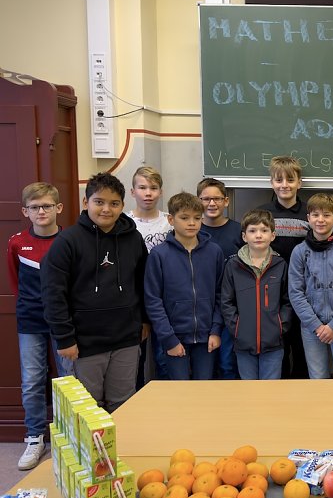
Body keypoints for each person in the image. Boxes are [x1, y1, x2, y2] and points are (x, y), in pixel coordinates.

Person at [41, 172, 149, 413]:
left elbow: (143, 283)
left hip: (126, 340)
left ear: (122, 205)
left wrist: (144, 320)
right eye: (99, 202)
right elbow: (53, 293)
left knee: (123, 405)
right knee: (88, 410)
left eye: (114, 203)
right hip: (82, 344)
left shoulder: (133, 239)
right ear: (85, 202)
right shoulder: (67, 241)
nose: (106, 209)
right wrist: (64, 337)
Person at [8, 182, 72, 470]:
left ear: (59, 208)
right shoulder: (17, 242)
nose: (41, 211)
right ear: (26, 212)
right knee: (32, 380)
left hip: (64, 322)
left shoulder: (69, 240)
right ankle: (35, 437)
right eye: (34, 207)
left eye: (47, 206)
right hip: (30, 321)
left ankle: (68, 435)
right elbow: (15, 281)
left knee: (69, 380)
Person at [144, 193, 225, 380]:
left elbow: (221, 294)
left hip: (206, 337)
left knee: (204, 386)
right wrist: (168, 338)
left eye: (197, 218)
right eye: (184, 218)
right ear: (171, 219)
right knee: (178, 389)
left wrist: (215, 330)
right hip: (174, 337)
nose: (191, 223)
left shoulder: (214, 252)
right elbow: (153, 300)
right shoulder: (159, 255)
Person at [288, 193, 333, 379]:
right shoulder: (299, 251)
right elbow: (295, 292)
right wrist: (316, 325)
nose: (321, 220)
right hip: (311, 328)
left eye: (326, 215)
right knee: (318, 379)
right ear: (308, 218)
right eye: (316, 215)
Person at [221, 208, 292, 380]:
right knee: (249, 389)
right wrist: (237, 328)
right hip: (243, 343)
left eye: (264, 230)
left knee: (270, 389)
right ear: (244, 236)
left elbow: (288, 301)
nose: (258, 235)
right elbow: (226, 302)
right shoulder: (233, 265)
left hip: (273, 343)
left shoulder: (280, 264)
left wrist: (280, 326)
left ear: (273, 235)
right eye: (252, 231)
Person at [258, 155, 310, 379]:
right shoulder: (262, 214)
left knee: (302, 347)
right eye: (279, 180)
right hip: (273, 292)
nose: (284, 185)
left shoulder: (311, 213)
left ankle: (302, 393)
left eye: (290, 180)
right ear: (272, 183)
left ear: (299, 183)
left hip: (305, 291)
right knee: (277, 347)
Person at [127, 166, 172, 384]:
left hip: (165, 298)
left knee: (164, 359)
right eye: (142, 187)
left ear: (160, 192)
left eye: (153, 188)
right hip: (134, 299)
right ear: (132, 191)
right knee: (136, 360)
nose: (148, 193)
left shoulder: (170, 222)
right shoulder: (124, 222)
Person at [197, 177, 243, 380]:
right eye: (206, 199)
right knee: (204, 367)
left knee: (228, 364)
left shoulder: (239, 231)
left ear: (226, 201)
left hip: (232, 308)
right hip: (202, 308)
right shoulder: (192, 230)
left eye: (217, 199)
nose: (212, 203)